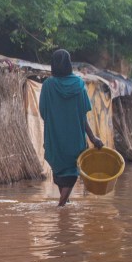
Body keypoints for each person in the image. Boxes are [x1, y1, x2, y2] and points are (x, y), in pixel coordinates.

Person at [39, 49, 104, 207]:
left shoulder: (48, 86)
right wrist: (92, 137)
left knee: (61, 173)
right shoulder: (79, 84)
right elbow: (83, 115)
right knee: (72, 171)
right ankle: (62, 206)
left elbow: (43, 113)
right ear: (69, 64)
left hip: (54, 137)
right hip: (74, 137)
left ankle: (62, 207)